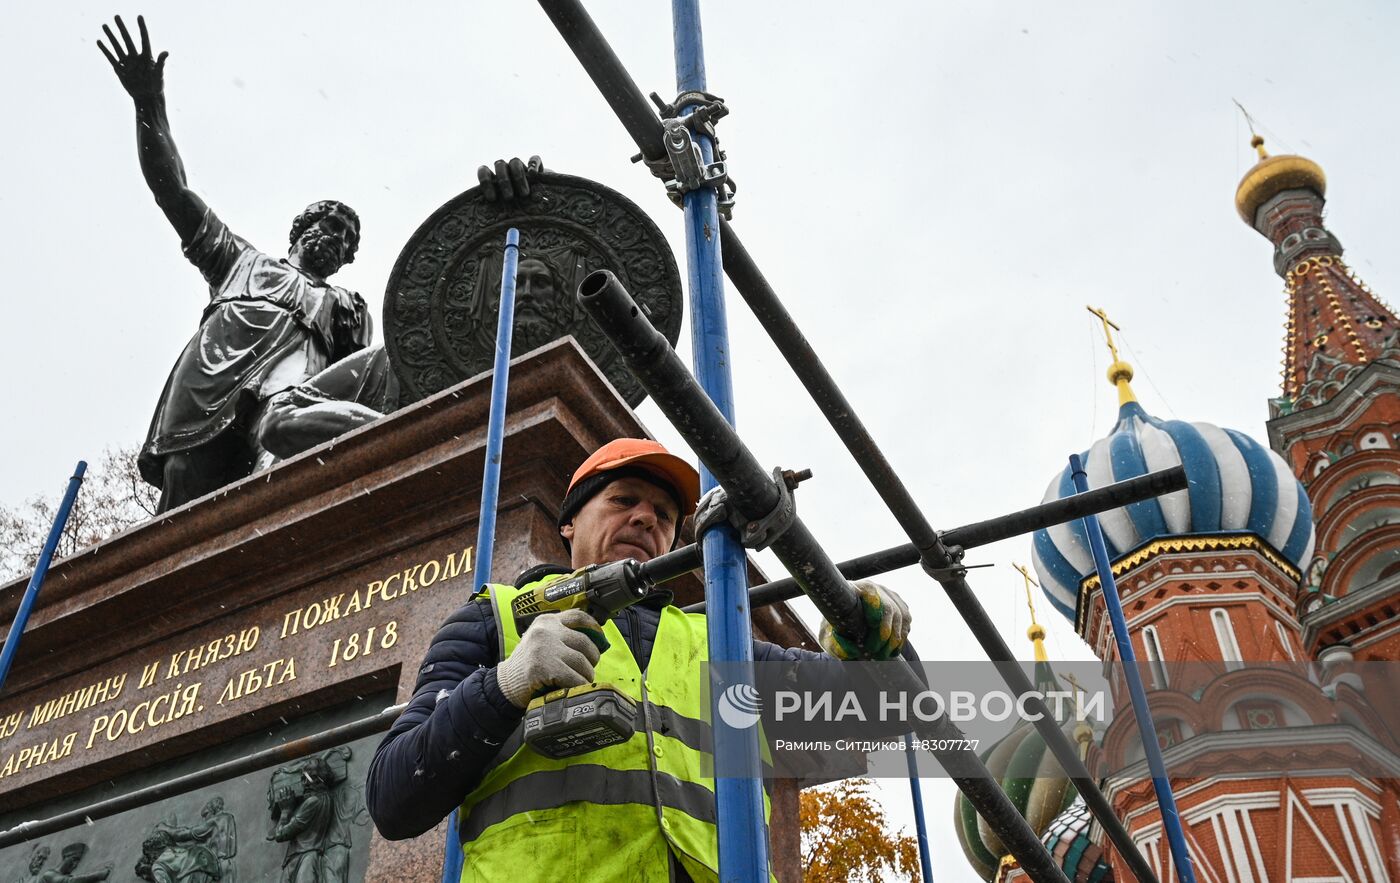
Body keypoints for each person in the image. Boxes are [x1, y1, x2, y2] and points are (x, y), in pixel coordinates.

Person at [366, 438, 910, 881]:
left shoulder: (721, 644)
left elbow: (897, 715)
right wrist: (505, 685)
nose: (648, 519)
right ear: (568, 523)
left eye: (667, 515)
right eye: (624, 500)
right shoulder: (495, 621)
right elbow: (394, 797)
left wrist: (867, 639)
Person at [97, 16, 372, 511]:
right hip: (214, 390)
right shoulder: (240, 260)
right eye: (331, 226)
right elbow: (173, 190)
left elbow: (362, 381)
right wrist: (148, 103)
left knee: (283, 485)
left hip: (290, 402)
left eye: (347, 240)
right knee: (184, 489)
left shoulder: (348, 306)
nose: (338, 239)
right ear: (301, 230)